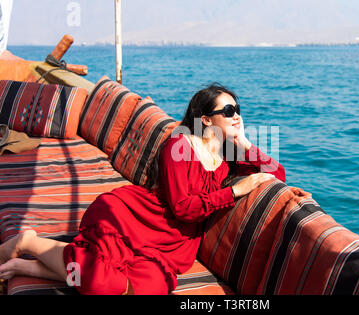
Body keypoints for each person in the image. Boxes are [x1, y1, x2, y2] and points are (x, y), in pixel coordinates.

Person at [0, 83, 286, 295]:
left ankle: (32, 267)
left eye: (237, 110)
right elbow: (183, 207)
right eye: (228, 110)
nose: (235, 115)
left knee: (144, 288)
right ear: (206, 120)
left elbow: (277, 173)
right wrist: (235, 191)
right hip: (136, 219)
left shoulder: (226, 157)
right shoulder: (179, 146)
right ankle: (30, 244)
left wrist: (244, 140)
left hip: (173, 246)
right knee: (98, 277)